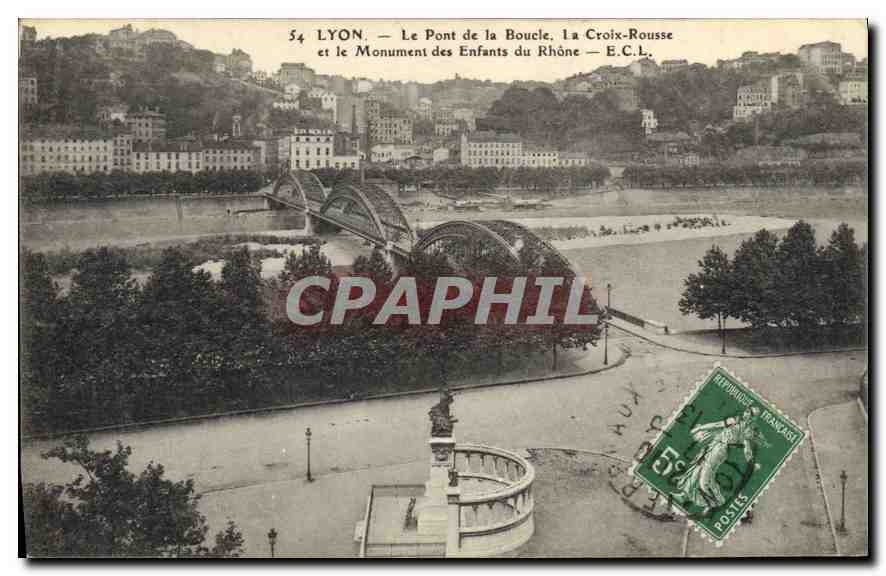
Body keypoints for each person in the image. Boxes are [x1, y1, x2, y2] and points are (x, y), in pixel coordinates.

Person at [672, 406, 765, 515]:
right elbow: (716, 425)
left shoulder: (747, 431)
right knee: (695, 471)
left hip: (719, 451)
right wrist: (700, 428)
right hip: (713, 445)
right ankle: (684, 495)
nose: (746, 413)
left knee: (704, 481)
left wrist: (751, 463)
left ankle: (716, 502)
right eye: (747, 410)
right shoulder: (734, 420)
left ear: (753, 418)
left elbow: (747, 449)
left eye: (749, 413)